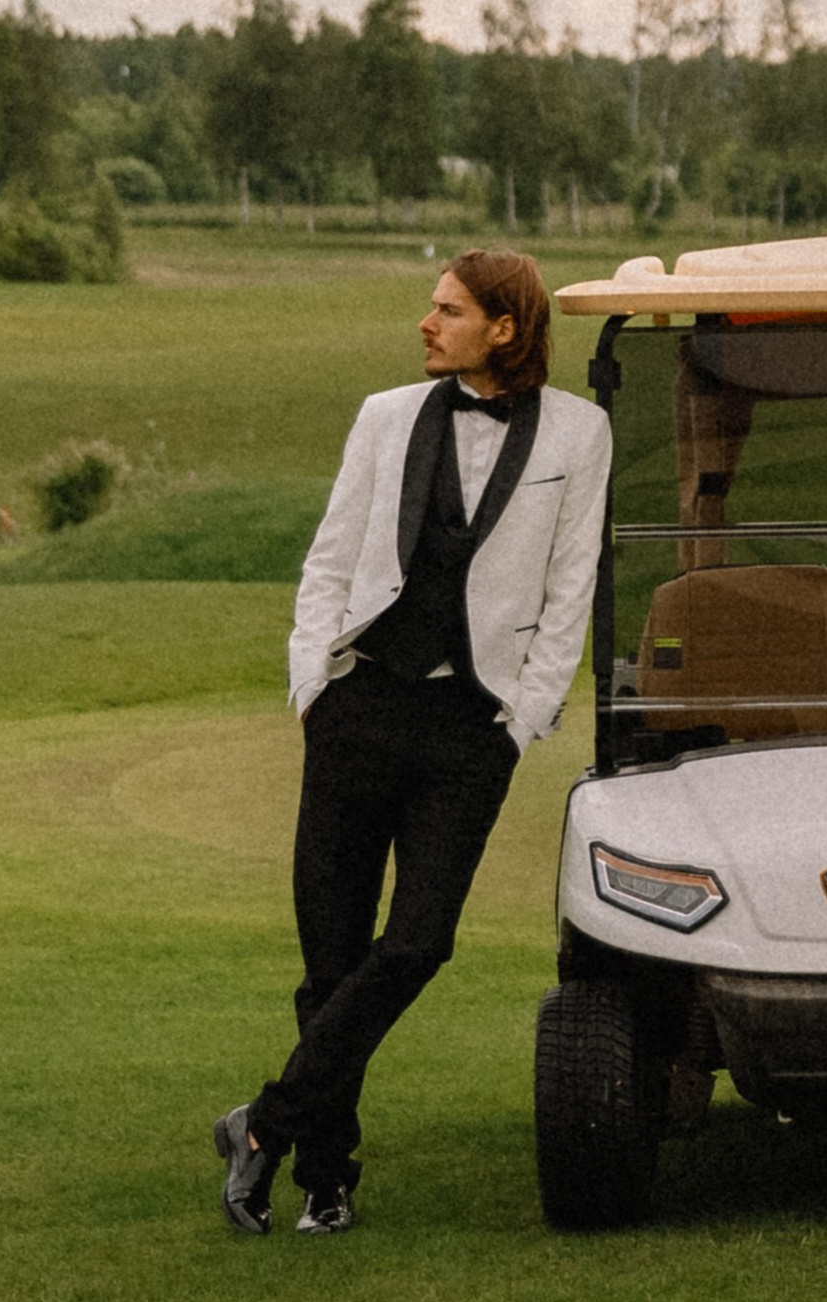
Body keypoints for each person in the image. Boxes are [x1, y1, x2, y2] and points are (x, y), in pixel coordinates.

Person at [215, 247, 610, 1235]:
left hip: (471, 727)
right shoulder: (385, 416)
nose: (426, 324)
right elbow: (331, 558)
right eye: (432, 307)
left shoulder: (580, 432)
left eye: (448, 309)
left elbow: (571, 588)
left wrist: (521, 720)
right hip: (358, 710)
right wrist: (313, 685)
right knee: (331, 959)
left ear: (504, 328)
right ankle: (325, 1179)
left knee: (419, 942)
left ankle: (262, 1123)